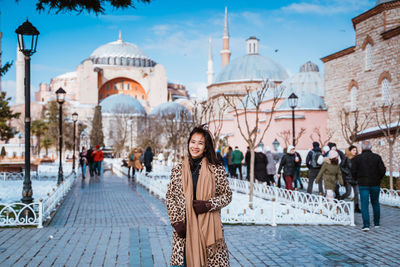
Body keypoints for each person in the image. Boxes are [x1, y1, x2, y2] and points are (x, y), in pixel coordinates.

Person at [166, 126, 232, 266]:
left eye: (200, 143)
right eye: (193, 142)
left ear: (206, 147)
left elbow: (227, 195)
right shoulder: (178, 170)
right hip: (184, 230)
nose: (195, 146)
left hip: (209, 231)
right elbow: (170, 196)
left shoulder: (216, 169)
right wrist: (176, 222)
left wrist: (208, 205)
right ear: (188, 143)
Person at [351, 140, 386, 232]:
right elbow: (383, 170)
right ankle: (377, 223)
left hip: (363, 184)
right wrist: (378, 178)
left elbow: (353, 171)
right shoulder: (377, 157)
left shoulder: (357, 159)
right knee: (375, 203)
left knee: (364, 204)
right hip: (375, 183)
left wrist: (356, 179)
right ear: (371, 147)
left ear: (361, 148)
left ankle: (366, 224)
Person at [341, 145, 361, 213]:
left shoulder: (358, 158)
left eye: (355, 150)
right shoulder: (346, 158)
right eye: (353, 150)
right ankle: (340, 200)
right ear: (350, 151)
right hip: (348, 178)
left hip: (355, 178)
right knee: (348, 192)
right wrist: (347, 172)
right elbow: (341, 167)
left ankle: (357, 207)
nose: (355, 151)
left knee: (356, 193)